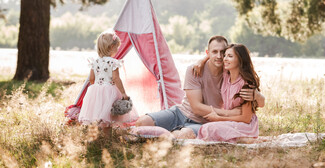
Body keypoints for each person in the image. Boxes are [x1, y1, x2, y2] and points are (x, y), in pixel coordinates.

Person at [135, 36, 264, 138]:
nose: (219, 56)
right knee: (142, 123)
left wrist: (257, 95)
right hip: (180, 113)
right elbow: (196, 107)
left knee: (182, 135)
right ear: (208, 53)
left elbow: (242, 64)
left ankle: (163, 138)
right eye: (214, 52)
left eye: (222, 52)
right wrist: (229, 113)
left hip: (205, 122)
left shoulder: (228, 73)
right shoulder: (194, 70)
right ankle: (160, 135)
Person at [78, 30, 138, 136]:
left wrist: (97, 86)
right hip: (109, 90)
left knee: (97, 114)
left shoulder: (95, 62)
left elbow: (91, 78)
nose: (118, 49)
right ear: (111, 47)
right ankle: (107, 139)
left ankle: (95, 137)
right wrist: (123, 93)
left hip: (95, 90)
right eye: (117, 47)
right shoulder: (113, 62)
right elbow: (116, 78)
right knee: (108, 116)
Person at [197, 44, 260, 143]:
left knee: (209, 129)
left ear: (240, 60)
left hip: (245, 126)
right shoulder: (226, 74)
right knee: (206, 128)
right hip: (229, 121)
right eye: (225, 55)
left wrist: (219, 119)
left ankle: (245, 138)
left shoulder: (246, 84)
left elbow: (246, 118)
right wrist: (201, 61)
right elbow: (213, 58)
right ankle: (237, 139)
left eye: (230, 56)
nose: (225, 59)